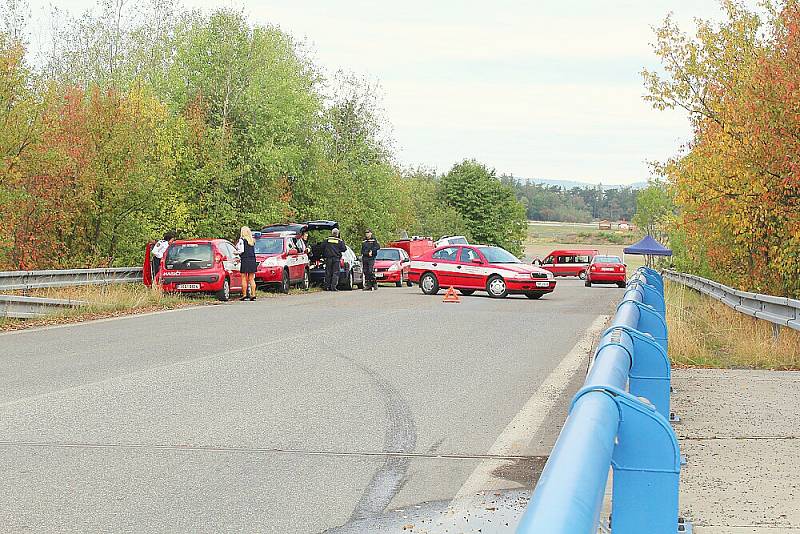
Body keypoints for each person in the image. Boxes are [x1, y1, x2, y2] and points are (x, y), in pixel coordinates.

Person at [236, 226, 258, 301]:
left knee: (244, 277)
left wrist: (236, 252)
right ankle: (253, 294)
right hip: (252, 259)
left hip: (245, 260)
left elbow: (241, 250)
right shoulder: (252, 241)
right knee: (251, 278)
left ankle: (244, 295)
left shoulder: (242, 240)